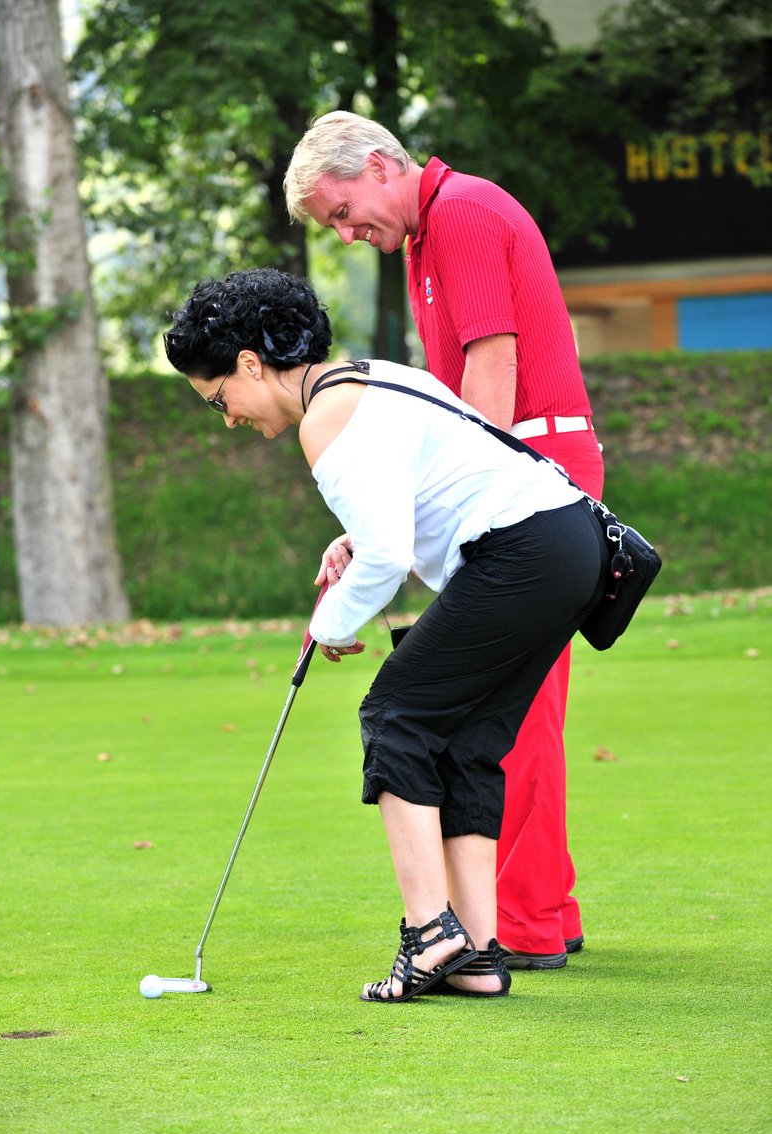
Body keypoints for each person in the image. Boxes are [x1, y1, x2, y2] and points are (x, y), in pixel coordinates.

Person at [163, 266, 608, 1003]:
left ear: (250, 364)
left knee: (393, 715)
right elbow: (408, 516)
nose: (229, 416)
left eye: (221, 399)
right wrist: (356, 545)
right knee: (463, 738)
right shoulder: (369, 379)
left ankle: (430, 933)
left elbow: (389, 556)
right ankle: (477, 954)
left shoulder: (324, 417)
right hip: (569, 546)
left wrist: (330, 623)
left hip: (524, 549)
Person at [284, 112, 605, 969]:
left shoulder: (459, 212)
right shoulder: (430, 231)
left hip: (527, 466)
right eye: (332, 227)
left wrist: (472, 513)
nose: (348, 233)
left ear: (384, 165)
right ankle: (547, 905)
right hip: (525, 470)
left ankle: (526, 925)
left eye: (345, 211)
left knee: (512, 711)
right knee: (522, 702)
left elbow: (489, 377)